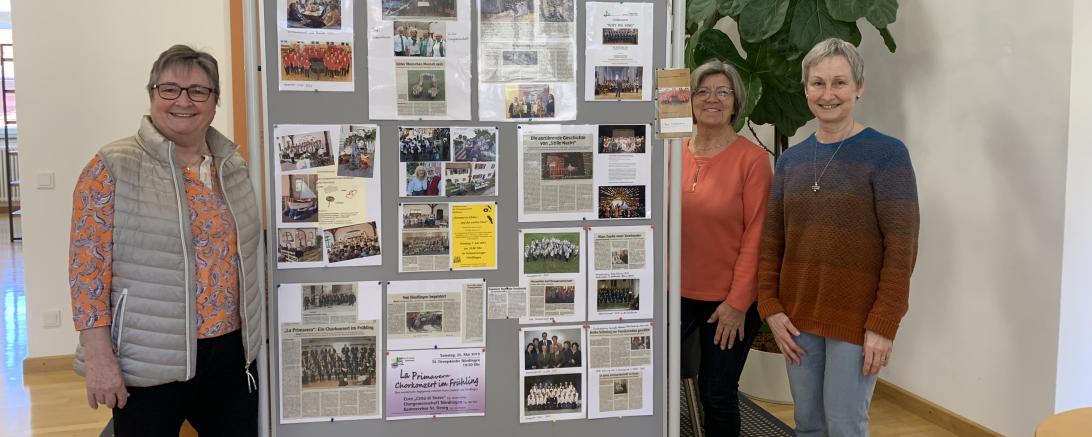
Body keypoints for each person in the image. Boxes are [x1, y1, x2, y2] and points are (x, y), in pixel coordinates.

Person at [68, 45, 263, 436]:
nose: (183, 101)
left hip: (229, 354)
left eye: (198, 91)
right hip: (148, 361)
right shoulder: (112, 166)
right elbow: (86, 271)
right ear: (153, 95)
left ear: (214, 100)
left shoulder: (233, 166)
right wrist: (99, 358)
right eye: (170, 89)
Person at [757, 38, 919, 437]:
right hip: (797, 321)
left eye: (840, 83)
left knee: (845, 426)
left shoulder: (887, 155)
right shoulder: (791, 160)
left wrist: (883, 324)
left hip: (857, 322)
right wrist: (771, 309)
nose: (828, 94)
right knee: (808, 424)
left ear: (859, 87)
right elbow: (772, 242)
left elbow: (902, 247)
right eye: (818, 83)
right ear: (805, 88)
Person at [679, 59, 771, 437]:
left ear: (736, 103)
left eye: (723, 92)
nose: (712, 99)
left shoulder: (752, 160)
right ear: (690, 100)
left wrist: (737, 304)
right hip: (673, 296)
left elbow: (757, 235)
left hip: (727, 303)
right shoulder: (670, 152)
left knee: (716, 392)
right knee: (653, 383)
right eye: (702, 91)